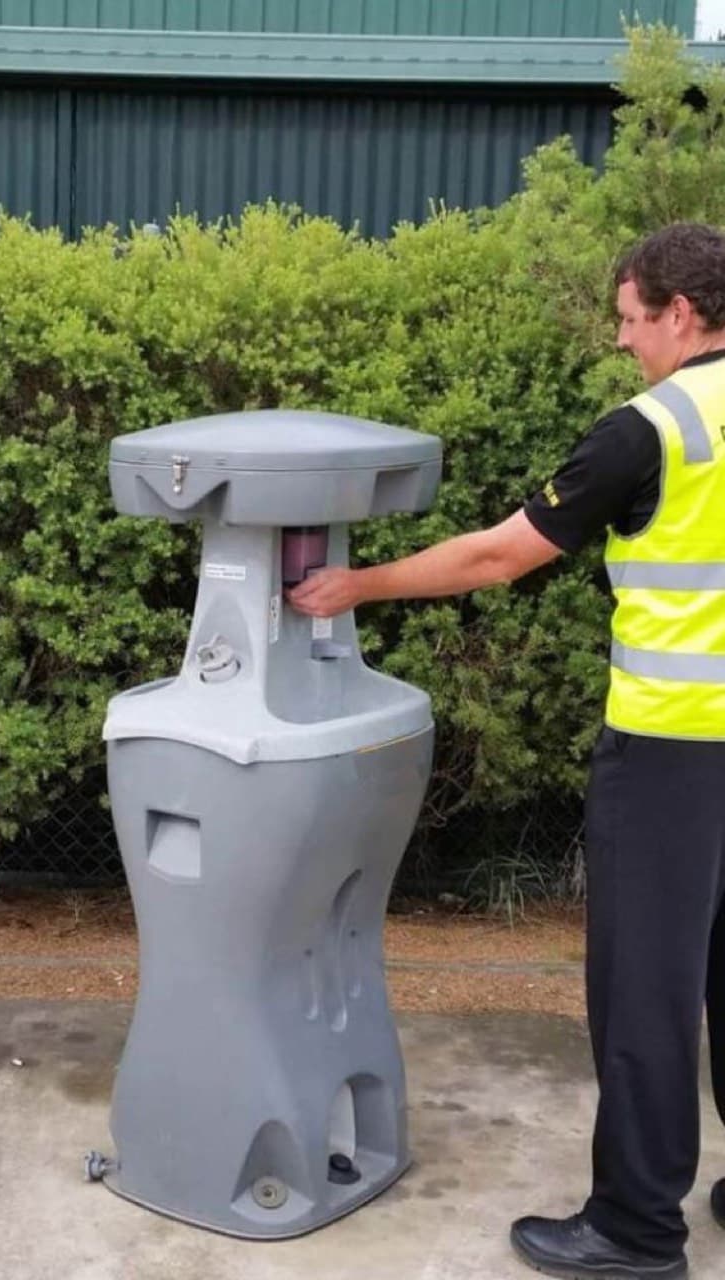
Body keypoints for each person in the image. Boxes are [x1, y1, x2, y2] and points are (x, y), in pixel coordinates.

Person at [287, 221, 725, 1280]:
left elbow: (496, 555)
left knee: (643, 989)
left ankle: (633, 1227)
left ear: (677, 312)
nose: (621, 341)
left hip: (673, 755)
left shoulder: (650, 429)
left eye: (627, 319)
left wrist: (356, 584)